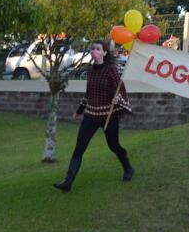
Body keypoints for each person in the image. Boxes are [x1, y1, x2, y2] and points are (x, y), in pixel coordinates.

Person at [54, 39, 134, 191]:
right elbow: (89, 93)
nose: (94, 51)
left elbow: (120, 90)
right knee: (79, 148)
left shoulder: (111, 70)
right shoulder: (90, 70)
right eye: (92, 49)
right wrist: (79, 110)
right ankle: (67, 182)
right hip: (90, 115)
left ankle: (128, 168)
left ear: (104, 52)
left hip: (108, 116)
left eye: (98, 49)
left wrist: (118, 99)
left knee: (113, 146)